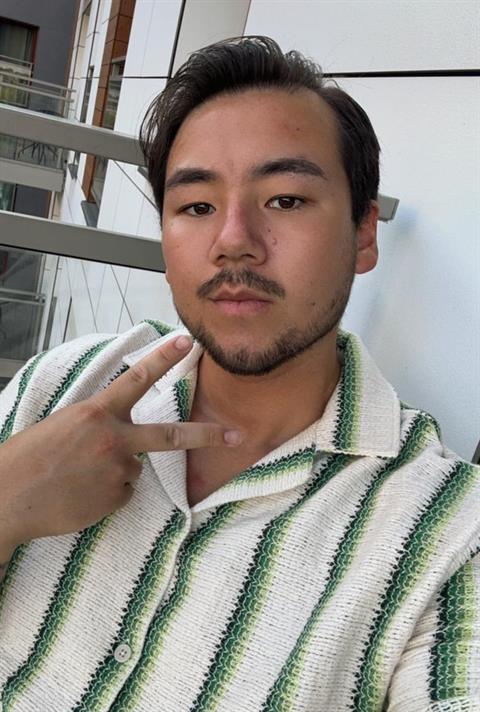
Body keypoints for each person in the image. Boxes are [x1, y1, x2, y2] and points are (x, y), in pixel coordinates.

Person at [0, 36, 478, 712]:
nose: (232, 241)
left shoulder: (446, 532)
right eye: (196, 206)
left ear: (364, 233)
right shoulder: (63, 385)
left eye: (284, 200)